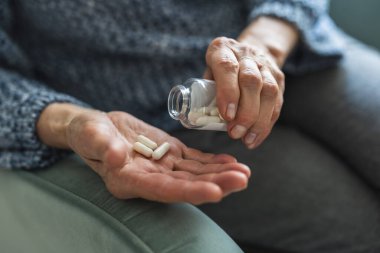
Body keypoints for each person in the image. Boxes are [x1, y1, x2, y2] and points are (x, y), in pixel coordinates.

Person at [1, 0, 380, 252]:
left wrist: (266, 43)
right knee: (360, 227)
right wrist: (70, 120)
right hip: (161, 126)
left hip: (286, 47)